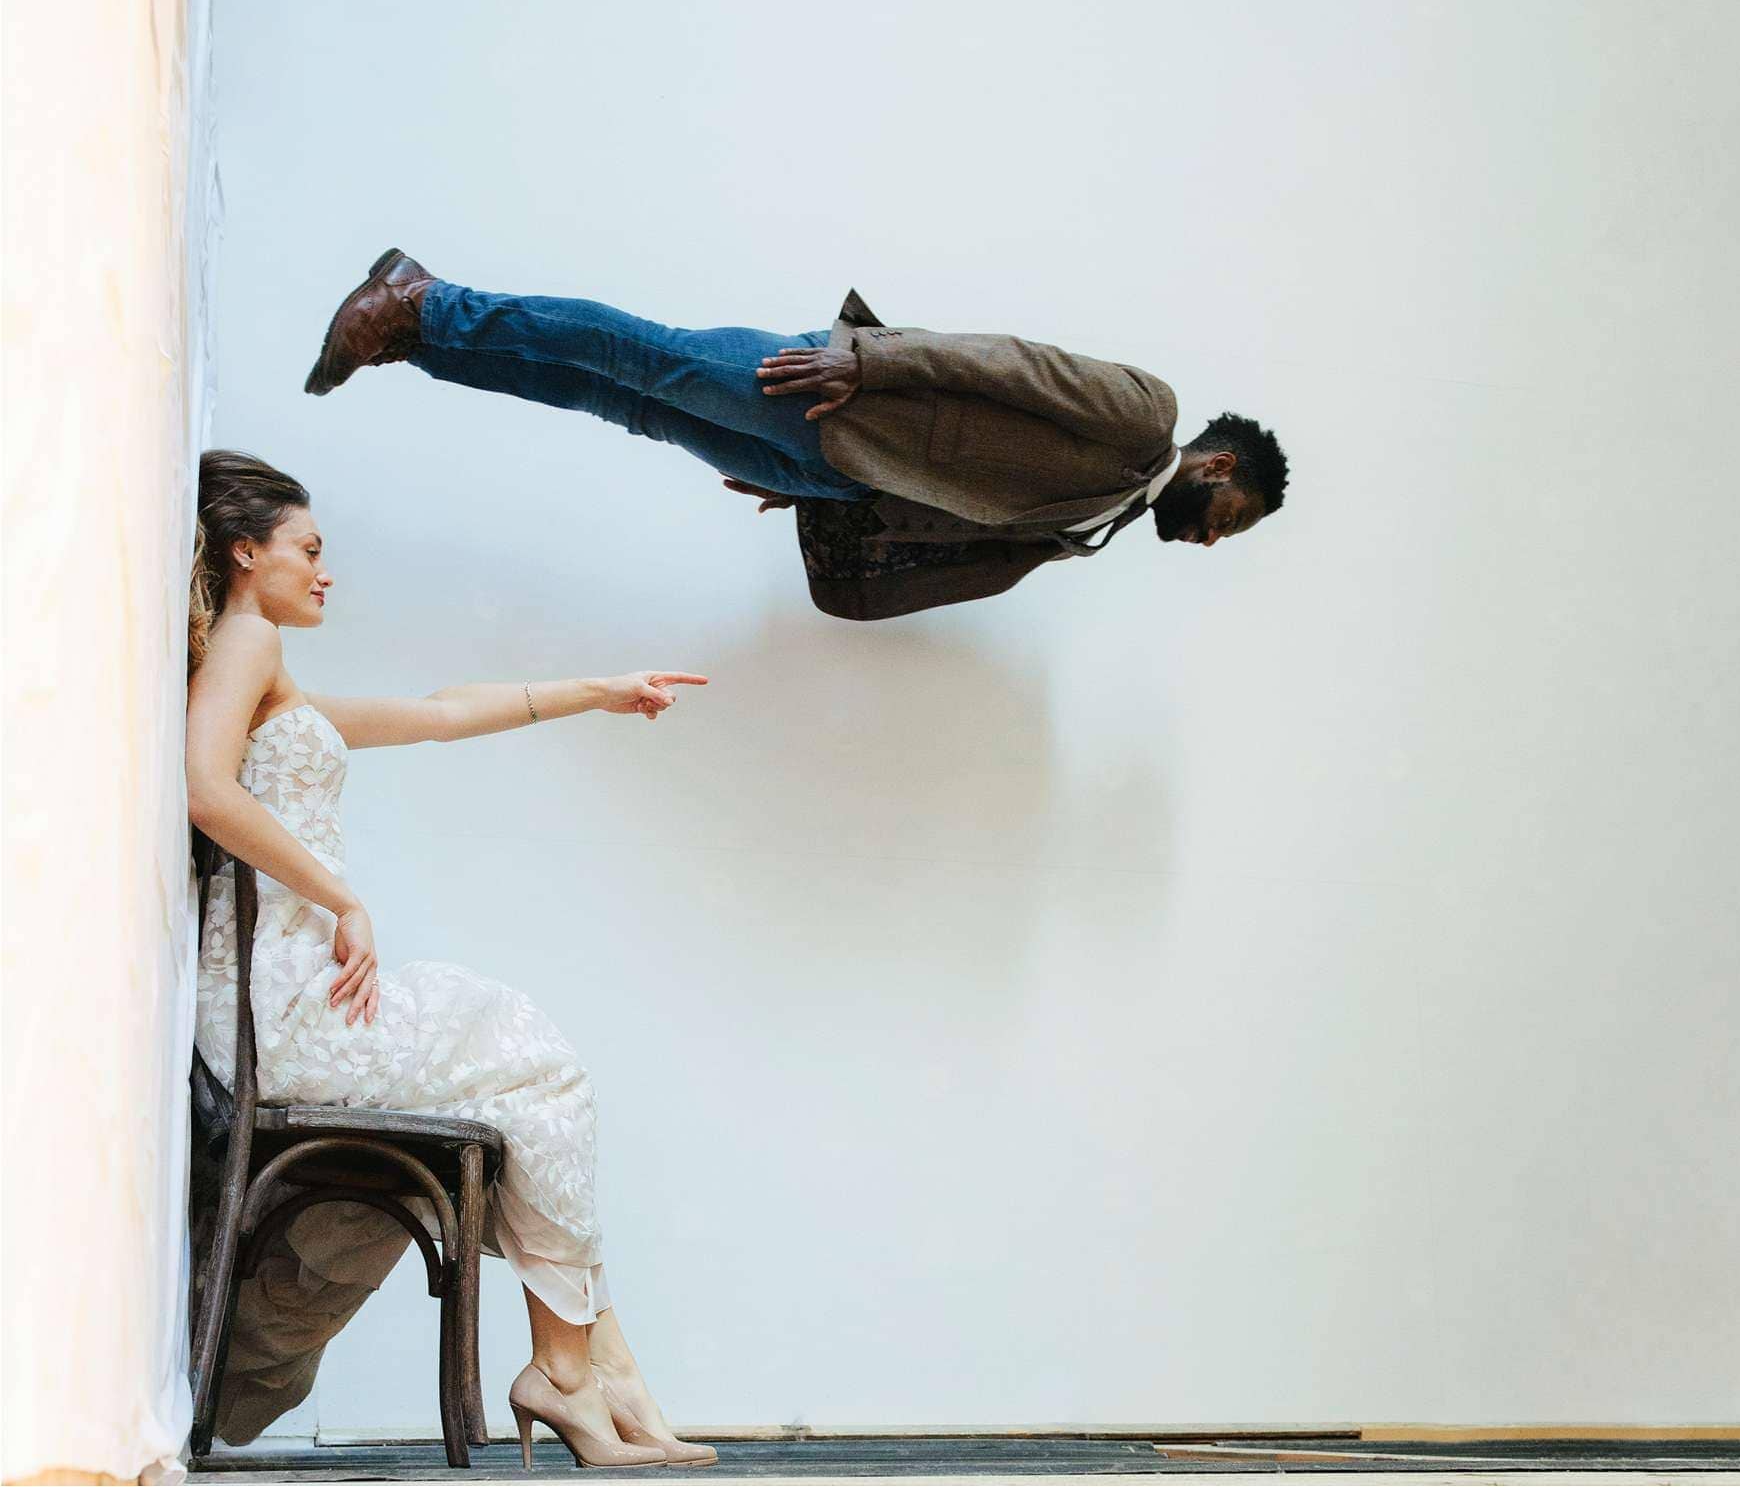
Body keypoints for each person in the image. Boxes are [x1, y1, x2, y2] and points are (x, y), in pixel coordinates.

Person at [186, 449, 715, 1468]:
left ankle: (595, 1371)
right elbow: (206, 785)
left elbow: (436, 713)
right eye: (309, 548)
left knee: (526, 1073)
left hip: (286, 1001)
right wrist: (344, 897)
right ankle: (573, 1373)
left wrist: (596, 689)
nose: (324, 569)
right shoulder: (247, 640)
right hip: (275, 1009)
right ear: (248, 551)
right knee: (532, 1057)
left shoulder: (268, 672)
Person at [301, 250, 1289, 619]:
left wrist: (808, 494)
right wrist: (868, 359)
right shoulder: (1145, 415)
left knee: (630, 404)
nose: (1210, 536)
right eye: (1228, 517)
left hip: (827, 467)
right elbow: (1006, 363)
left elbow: (951, 513)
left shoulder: (1104, 524)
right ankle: (428, 304)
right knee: (645, 357)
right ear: (1220, 462)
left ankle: (414, 343)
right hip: (844, 395)